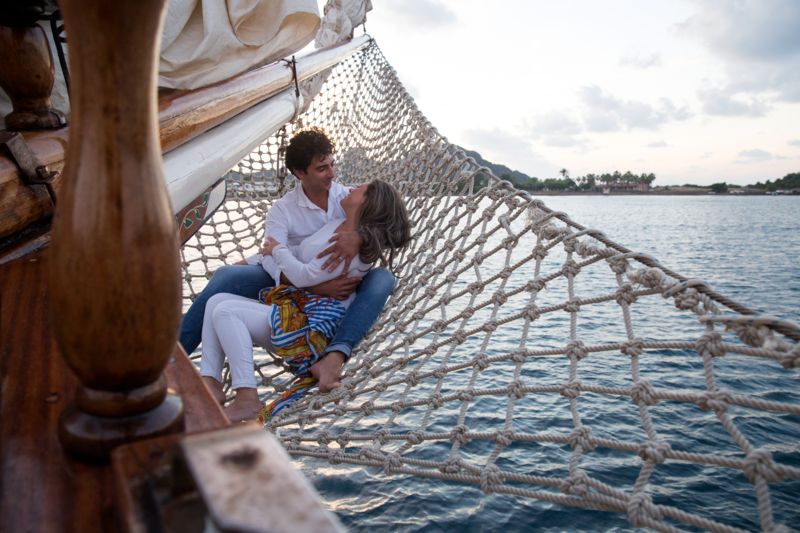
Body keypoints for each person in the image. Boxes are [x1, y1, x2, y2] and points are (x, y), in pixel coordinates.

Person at [179, 128, 396, 390]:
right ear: (299, 173)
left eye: (331, 164)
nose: (332, 173)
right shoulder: (283, 210)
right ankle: (174, 360)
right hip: (291, 276)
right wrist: (310, 286)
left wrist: (360, 236)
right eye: (321, 168)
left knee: (383, 277)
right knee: (226, 276)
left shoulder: (347, 198)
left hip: (342, 282)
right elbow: (270, 258)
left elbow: (391, 219)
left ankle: (336, 354)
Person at [200, 179, 411, 421]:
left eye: (359, 189)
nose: (351, 188)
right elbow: (297, 260)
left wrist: (277, 251)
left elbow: (301, 275)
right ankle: (211, 382)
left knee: (227, 311)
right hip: (298, 310)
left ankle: (247, 398)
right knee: (216, 301)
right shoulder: (337, 226)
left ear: (367, 202)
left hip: (309, 330)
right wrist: (265, 257)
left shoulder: (348, 248)